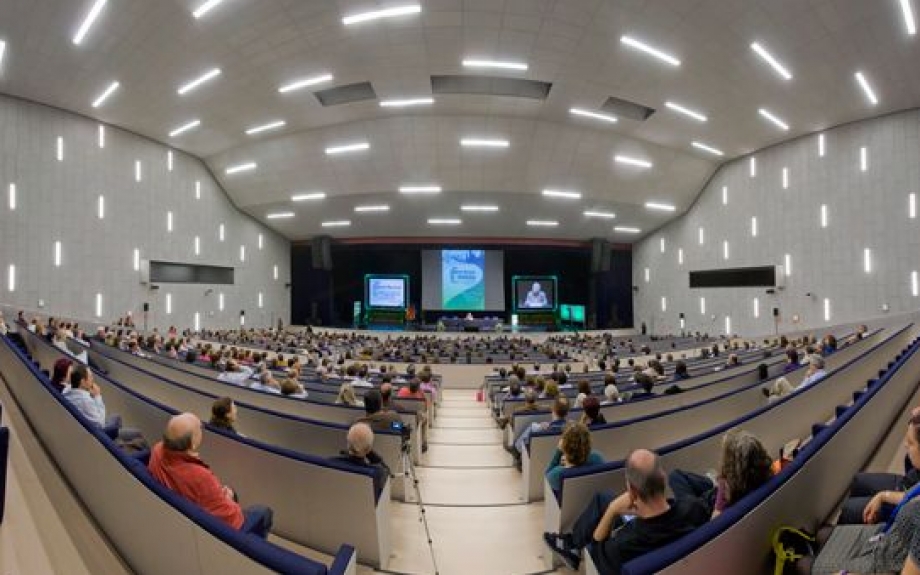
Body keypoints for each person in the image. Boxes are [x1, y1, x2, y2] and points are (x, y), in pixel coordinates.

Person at [543, 449, 710, 571]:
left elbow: (594, 554)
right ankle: (573, 544)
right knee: (604, 498)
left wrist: (612, 510)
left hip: (643, 542)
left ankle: (573, 546)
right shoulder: (695, 508)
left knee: (606, 501)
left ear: (632, 492)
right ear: (663, 478)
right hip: (665, 526)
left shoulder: (623, 545)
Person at [148, 412, 273, 538]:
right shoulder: (200, 477)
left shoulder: (157, 450)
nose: (201, 427)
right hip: (217, 530)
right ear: (192, 443)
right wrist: (228, 499)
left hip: (184, 507)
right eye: (199, 428)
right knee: (264, 511)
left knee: (232, 493)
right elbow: (233, 520)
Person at [836, 408, 920, 525]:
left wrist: (883, 496)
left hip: (905, 505)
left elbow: (912, 499)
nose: (905, 445)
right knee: (859, 481)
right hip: (909, 483)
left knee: (848, 510)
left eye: (911, 443)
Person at [668, 429, 774, 519]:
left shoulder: (726, 484)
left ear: (732, 462)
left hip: (707, 504)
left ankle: (691, 506)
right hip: (717, 489)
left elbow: (715, 518)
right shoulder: (765, 472)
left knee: (675, 476)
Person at [332, 422, 391, 494]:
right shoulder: (376, 473)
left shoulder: (331, 462)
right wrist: (371, 454)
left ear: (348, 443)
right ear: (369, 449)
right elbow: (388, 477)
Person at [545, 422, 605, 491]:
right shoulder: (598, 457)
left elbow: (547, 479)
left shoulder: (558, 474)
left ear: (564, 446)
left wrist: (558, 451)